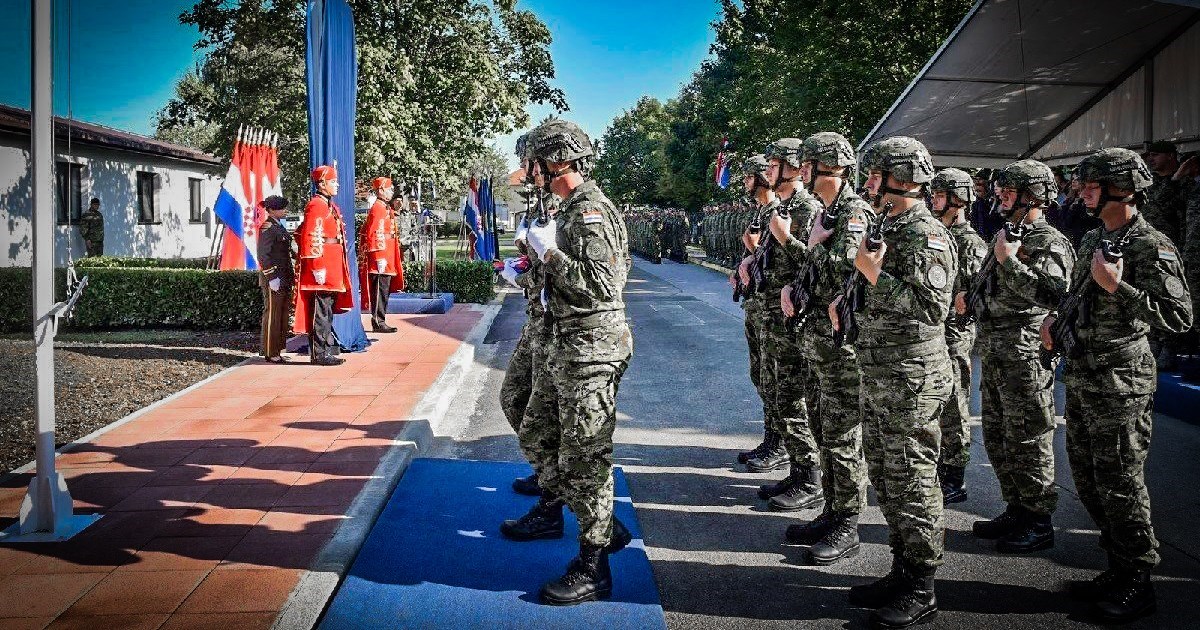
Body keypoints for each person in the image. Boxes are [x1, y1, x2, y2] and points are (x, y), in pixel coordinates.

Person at [1042, 147, 1192, 623]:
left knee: (1122, 482)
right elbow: (1078, 297)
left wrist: (1119, 287)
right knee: (1088, 479)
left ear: (1121, 188)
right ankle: (1117, 565)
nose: (1081, 192)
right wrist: (1056, 321)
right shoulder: (1092, 240)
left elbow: (1179, 317)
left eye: (1091, 185)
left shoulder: (1152, 246)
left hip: (1122, 383)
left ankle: (1137, 580)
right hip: (1086, 377)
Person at [505, 119, 634, 605]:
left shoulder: (590, 212)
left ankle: (594, 565)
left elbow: (601, 287)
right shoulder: (572, 208)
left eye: (534, 162)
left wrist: (551, 253)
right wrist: (534, 260)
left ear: (555, 161)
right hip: (567, 345)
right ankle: (594, 516)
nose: (529, 171)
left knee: (586, 456)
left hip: (592, 350)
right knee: (538, 433)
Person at [833, 136, 956, 628]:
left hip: (912, 375)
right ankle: (903, 570)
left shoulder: (926, 234)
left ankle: (922, 584)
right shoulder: (890, 227)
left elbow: (932, 308)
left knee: (912, 477)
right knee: (886, 475)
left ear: (897, 180)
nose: (866, 183)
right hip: (881, 369)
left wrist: (873, 274)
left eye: (874, 176)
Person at [964, 159, 1074, 554]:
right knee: (999, 436)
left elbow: (1053, 294)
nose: (999, 197)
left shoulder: (1048, 241)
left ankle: (1038, 519)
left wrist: (1010, 261)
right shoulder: (1008, 233)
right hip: (996, 352)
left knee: (1028, 437)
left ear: (1034, 196)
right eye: (1001, 191)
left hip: (1025, 354)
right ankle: (1016, 507)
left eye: (1009, 192)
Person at [778, 131, 872, 564]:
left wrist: (810, 245)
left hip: (840, 344)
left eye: (806, 165)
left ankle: (848, 522)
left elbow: (853, 270)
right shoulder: (833, 211)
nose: (800, 172)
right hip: (818, 339)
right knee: (821, 426)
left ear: (820, 168)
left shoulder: (853, 213)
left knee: (840, 435)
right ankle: (832, 510)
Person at [753, 138, 823, 513]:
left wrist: (785, 238)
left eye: (774, 164)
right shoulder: (782, 207)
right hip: (775, 318)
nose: (767, 171)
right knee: (780, 395)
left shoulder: (809, 208)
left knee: (795, 399)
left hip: (795, 321)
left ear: (794, 168)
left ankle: (810, 476)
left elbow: (816, 265)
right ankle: (798, 470)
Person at [929, 168, 987, 504]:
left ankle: (954, 476)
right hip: (937, 331)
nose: (934, 199)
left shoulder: (970, 243)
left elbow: (976, 296)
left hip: (955, 335)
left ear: (959, 199)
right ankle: (940, 466)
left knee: (954, 406)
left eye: (941, 194)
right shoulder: (939, 235)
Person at [497, 131, 550, 497]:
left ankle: (555, 485)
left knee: (543, 415)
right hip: (536, 321)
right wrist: (519, 265)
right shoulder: (541, 203)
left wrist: (524, 274)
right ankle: (548, 471)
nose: (524, 169)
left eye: (528, 162)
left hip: (555, 326)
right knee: (514, 397)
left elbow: (557, 269)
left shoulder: (569, 206)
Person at [734, 155, 784, 470]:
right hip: (758, 305)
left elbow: (784, 261)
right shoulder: (761, 211)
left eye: (750, 177)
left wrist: (752, 251)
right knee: (762, 376)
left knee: (777, 380)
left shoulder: (780, 211)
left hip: (776, 309)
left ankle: (780, 445)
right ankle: (771, 438)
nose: (746, 183)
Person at [293, 164, 353, 367]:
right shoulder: (316, 205)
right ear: (322, 183)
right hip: (323, 267)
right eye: (333, 181)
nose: (337, 185)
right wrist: (317, 267)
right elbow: (312, 237)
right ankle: (319, 354)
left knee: (326, 311)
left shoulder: (326, 205)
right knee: (321, 312)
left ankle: (324, 349)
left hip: (331, 265)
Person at [359, 177, 405, 333]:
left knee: (384, 289)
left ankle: (380, 319)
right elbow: (375, 233)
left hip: (387, 254)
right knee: (380, 289)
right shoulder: (378, 208)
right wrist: (379, 257)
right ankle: (378, 321)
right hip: (382, 256)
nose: (391, 192)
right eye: (389, 189)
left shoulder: (383, 207)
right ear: (381, 190)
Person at [256, 195, 294, 362]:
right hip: (274, 277)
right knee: (272, 315)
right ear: (271, 210)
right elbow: (263, 255)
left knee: (282, 314)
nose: (284, 210)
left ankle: (277, 350)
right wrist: (271, 277)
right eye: (281, 208)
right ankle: (270, 352)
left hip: (283, 277)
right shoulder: (267, 227)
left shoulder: (279, 227)